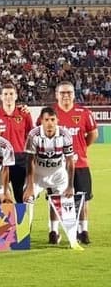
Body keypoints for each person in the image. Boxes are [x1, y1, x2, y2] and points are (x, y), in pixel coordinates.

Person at [52, 81, 98, 244]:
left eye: (69, 92)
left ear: (74, 94)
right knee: (56, 198)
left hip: (80, 164)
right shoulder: (51, 114)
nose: (66, 95)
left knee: (83, 198)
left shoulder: (84, 112)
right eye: (62, 93)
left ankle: (83, 231)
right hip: (56, 166)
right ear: (56, 94)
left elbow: (93, 134)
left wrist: (82, 147)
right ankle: (55, 231)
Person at [24, 107, 75, 245]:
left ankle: (54, 232)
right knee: (28, 200)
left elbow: (70, 162)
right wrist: (29, 185)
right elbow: (29, 161)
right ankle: (25, 234)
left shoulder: (65, 135)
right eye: (46, 120)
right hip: (38, 175)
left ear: (57, 120)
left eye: (53, 120)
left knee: (60, 202)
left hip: (58, 175)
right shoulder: (33, 135)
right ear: (41, 120)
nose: (50, 123)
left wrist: (70, 186)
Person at [0, 83, 34, 203]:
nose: (9, 97)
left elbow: (31, 135)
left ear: (16, 96)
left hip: (19, 158)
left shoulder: (24, 114)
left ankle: (21, 221)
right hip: (0, 159)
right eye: (6, 94)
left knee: (21, 196)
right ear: (1, 97)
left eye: (11, 94)